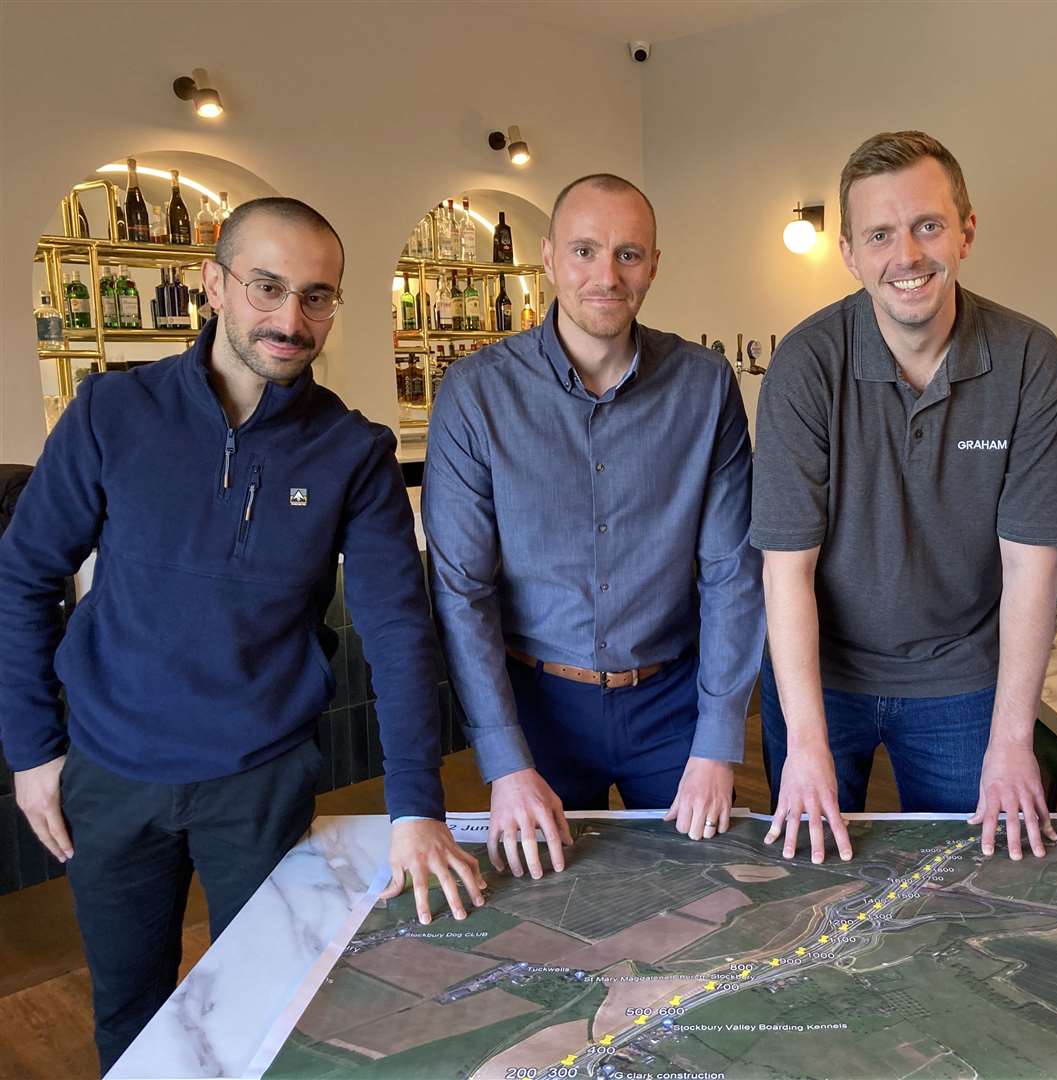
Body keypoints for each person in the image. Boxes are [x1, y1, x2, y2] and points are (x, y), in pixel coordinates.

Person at [0, 197, 483, 1073]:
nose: (290, 320)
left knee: (270, 1008)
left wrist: (418, 803)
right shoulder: (113, 410)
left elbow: (397, 629)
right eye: (266, 287)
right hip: (109, 777)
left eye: (316, 296)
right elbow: (23, 573)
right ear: (214, 285)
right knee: (131, 1017)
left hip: (258, 783)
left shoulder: (352, 447)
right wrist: (32, 749)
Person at [424, 174, 764, 881]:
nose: (606, 276)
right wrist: (503, 759)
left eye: (629, 254)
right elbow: (461, 590)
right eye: (585, 251)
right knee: (544, 927)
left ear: (655, 264)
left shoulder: (705, 385)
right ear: (548, 258)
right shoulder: (477, 392)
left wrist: (717, 742)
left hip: (674, 704)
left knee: (701, 907)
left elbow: (731, 570)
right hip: (538, 710)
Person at [752, 131, 1057, 864]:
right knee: (810, 879)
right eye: (879, 234)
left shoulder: (1030, 358)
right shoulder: (806, 364)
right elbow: (786, 570)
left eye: (927, 225)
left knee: (977, 879)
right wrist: (805, 749)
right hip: (822, 681)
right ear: (849, 253)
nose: (906, 255)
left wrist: (1013, 741)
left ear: (966, 230)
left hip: (963, 677)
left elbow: (1031, 568)